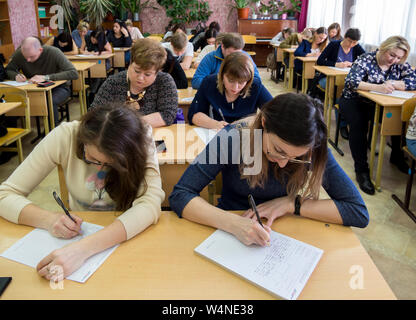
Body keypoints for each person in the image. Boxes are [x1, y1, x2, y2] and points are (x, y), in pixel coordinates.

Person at [169, 93, 369, 247]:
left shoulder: (312, 147)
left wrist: (293, 204)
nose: (283, 164)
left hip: (285, 230)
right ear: (264, 123)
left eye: (296, 158)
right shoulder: (232, 139)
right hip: (232, 224)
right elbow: (181, 194)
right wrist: (234, 224)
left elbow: (357, 212)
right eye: (278, 151)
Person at [0, 104, 165, 280]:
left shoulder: (140, 138)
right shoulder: (65, 135)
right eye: (92, 159)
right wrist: (49, 219)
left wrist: (82, 250)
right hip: (80, 231)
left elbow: (150, 204)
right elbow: (5, 194)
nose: (100, 169)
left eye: (111, 164)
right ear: (83, 141)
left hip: (127, 237)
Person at [339, 36, 416, 195]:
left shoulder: (399, 64)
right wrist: (378, 87)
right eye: (392, 55)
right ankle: (361, 170)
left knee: (397, 117)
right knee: (359, 124)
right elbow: (351, 82)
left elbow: (414, 80)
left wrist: (395, 84)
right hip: (353, 100)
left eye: (399, 57)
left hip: (377, 103)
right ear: (383, 49)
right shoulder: (366, 59)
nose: (394, 60)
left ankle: (396, 156)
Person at [91, 38, 178, 128]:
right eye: (137, 71)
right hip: (118, 139)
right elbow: (94, 113)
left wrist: (126, 124)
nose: (140, 78)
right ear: (130, 63)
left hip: (153, 137)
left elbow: (168, 115)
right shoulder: (113, 82)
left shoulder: (164, 81)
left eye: (147, 74)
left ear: (157, 72)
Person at [188, 52, 272, 129]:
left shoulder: (255, 85)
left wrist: (242, 123)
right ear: (222, 75)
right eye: (231, 81)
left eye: (241, 82)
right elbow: (193, 115)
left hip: (246, 134)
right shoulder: (209, 82)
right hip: (215, 132)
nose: (235, 88)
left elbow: (273, 113)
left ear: (248, 80)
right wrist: (215, 124)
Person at [5, 37, 78, 126]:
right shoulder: (20, 53)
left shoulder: (54, 52)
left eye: (31, 57)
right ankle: (14, 137)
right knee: (10, 99)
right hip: (33, 89)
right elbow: (9, 69)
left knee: (50, 101)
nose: (28, 60)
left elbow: (73, 73)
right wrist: (16, 76)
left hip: (58, 88)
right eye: (25, 57)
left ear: (40, 50)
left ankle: (53, 131)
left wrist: (47, 77)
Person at [312, 28, 365, 139]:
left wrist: (353, 63)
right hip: (327, 78)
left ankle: (354, 123)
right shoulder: (334, 45)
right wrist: (336, 64)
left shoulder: (356, 47)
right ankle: (342, 125)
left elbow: (366, 61)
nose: (351, 44)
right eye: (349, 41)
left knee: (354, 95)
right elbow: (320, 61)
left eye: (354, 42)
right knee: (339, 93)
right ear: (344, 37)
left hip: (347, 80)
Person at [192, 33, 260, 89]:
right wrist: (224, 83)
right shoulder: (210, 58)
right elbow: (196, 82)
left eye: (238, 53)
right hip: (216, 94)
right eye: (230, 53)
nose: (234, 57)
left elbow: (257, 80)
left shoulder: (246, 57)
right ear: (222, 46)